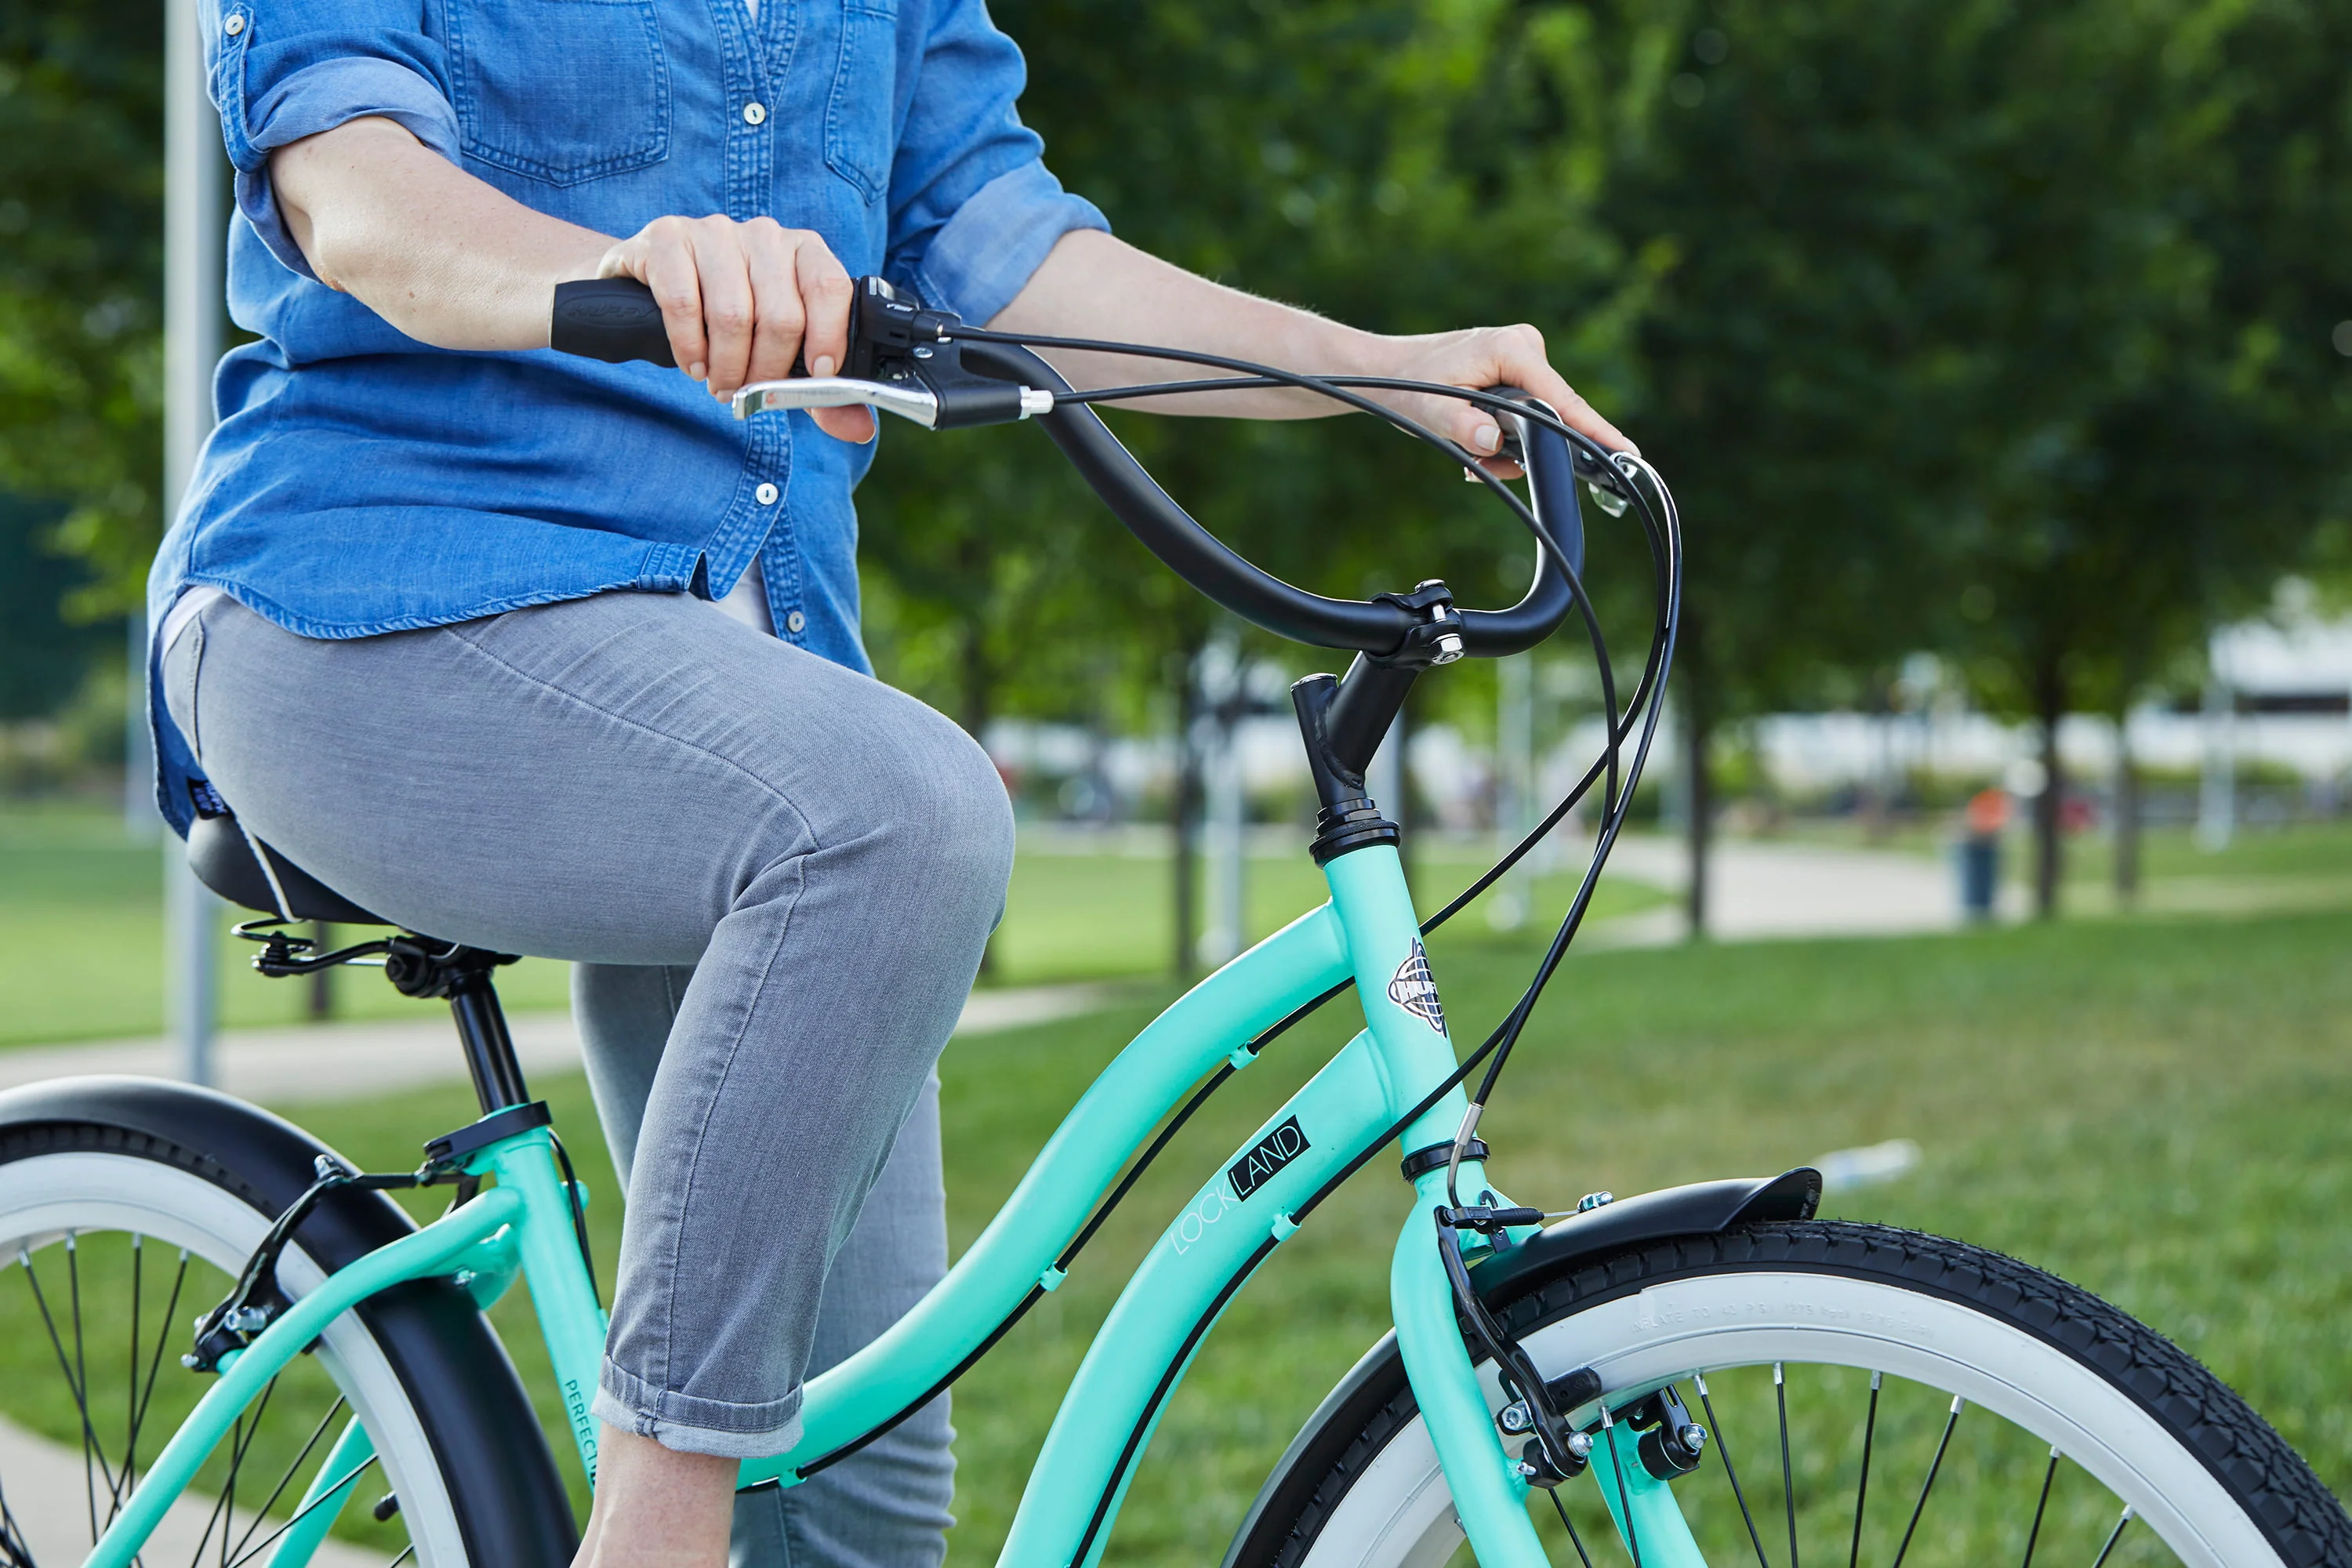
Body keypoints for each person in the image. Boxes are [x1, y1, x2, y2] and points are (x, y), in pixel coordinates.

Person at [149, 3, 1632, 1565]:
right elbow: (359, 194)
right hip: (364, 606)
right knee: (902, 813)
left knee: (854, 1509)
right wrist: (627, 264)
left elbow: (1005, 247)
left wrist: (1374, 370)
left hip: (739, 695)